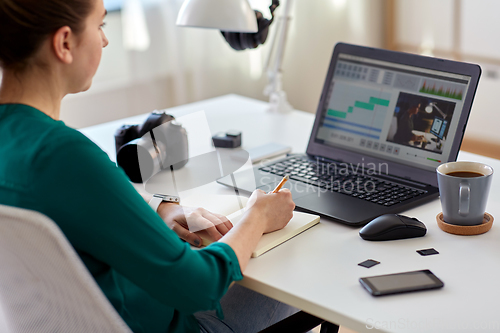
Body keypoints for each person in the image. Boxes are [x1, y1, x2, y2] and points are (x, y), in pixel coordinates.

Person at [0, 0, 298, 332]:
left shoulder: (26, 145)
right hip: (157, 322)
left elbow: (87, 205)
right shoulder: (64, 154)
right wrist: (257, 216)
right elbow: (200, 286)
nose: (105, 40)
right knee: (293, 272)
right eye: (101, 26)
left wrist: (158, 210)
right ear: (65, 43)